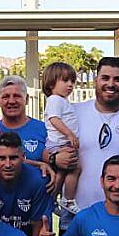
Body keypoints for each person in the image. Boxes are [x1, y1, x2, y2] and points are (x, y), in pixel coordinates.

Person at [47, 57, 119, 220]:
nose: (110, 84)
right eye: (105, 78)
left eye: (117, 79)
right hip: (76, 214)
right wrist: (55, 158)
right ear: (95, 81)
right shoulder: (73, 112)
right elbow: (48, 149)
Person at [0, 131, 54, 236]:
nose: (7, 165)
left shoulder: (38, 181)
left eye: (13, 158)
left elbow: (38, 228)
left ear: (23, 157)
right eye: (2, 158)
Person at [40, 61, 81, 194]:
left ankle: (55, 198)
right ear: (51, 83)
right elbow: (54, 119)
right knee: (75, 168)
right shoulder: (55, 100)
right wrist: (69, 134)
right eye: (65, 80)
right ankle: (67, 199)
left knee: (63, 172)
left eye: (72, 81)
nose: (70, 85)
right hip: (59, 143)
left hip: (62, 143)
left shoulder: (62, 100)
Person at [0, 75, 49, 162]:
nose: (11, 101)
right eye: (6, 97)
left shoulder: (45, 130)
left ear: (26, 99)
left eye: (17, 96)